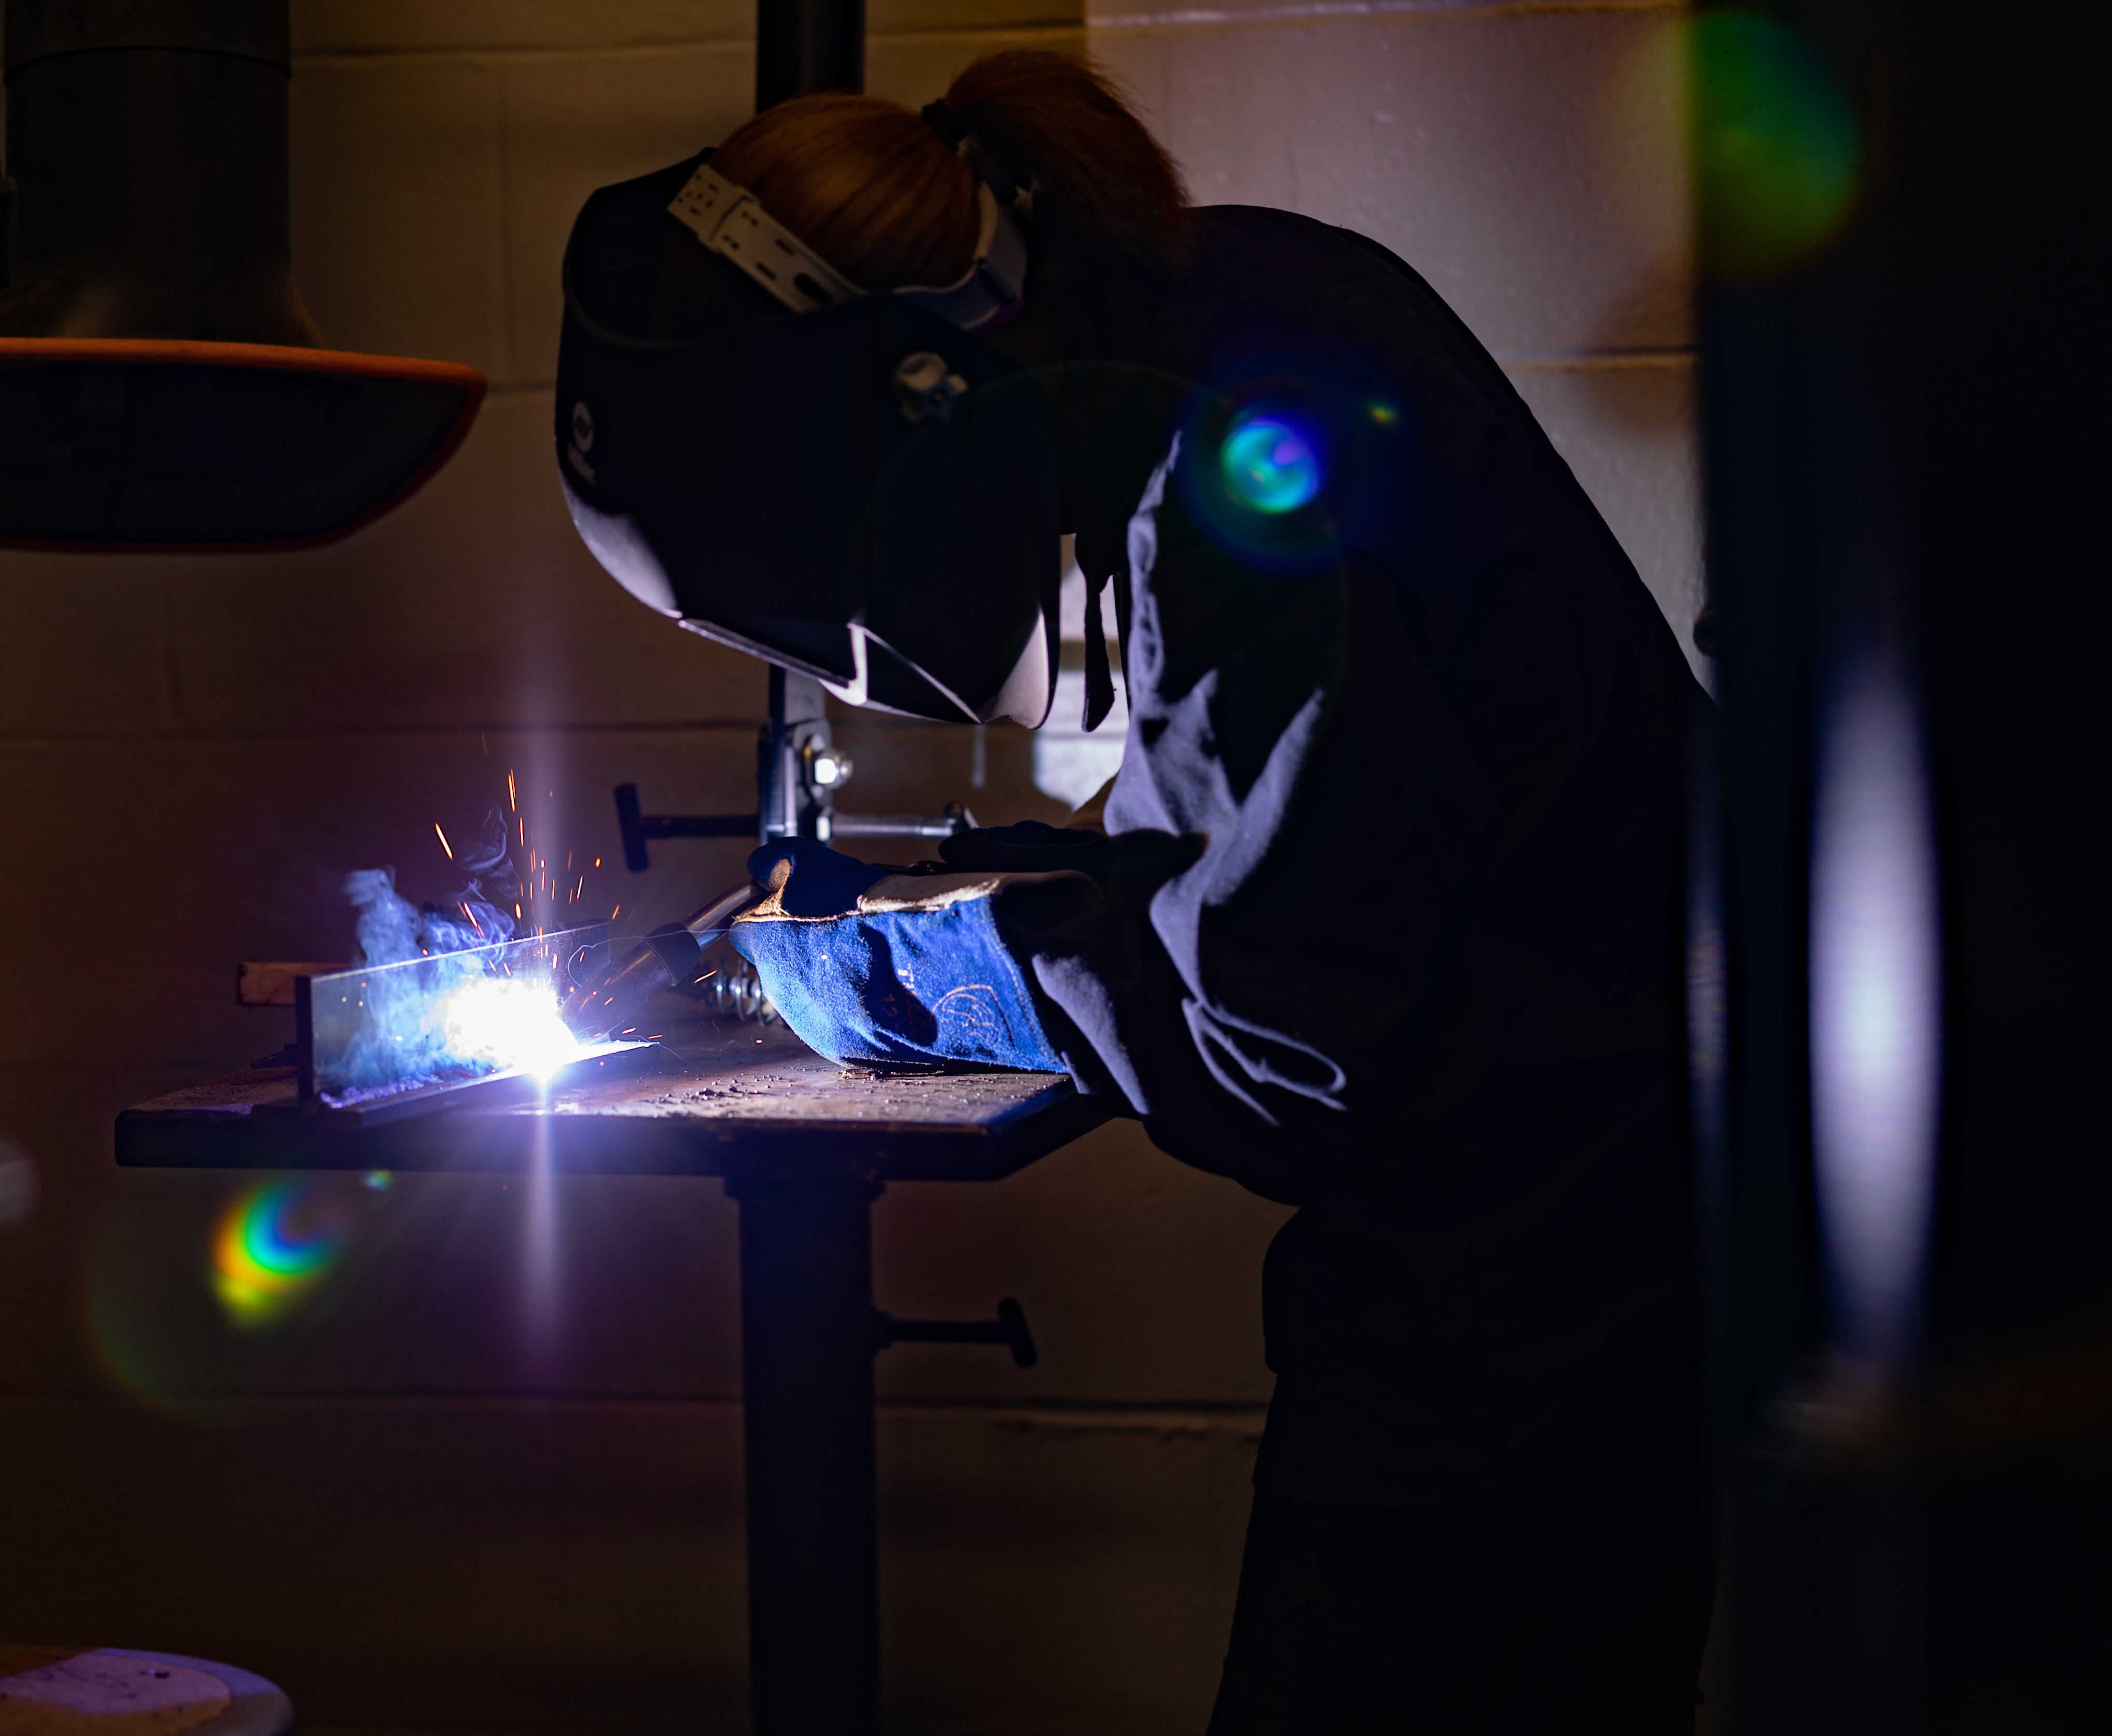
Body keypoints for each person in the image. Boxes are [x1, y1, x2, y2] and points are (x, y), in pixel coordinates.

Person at [554, 49, 1712, 1733]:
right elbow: (1323, 843)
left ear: (923, 395)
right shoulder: (1241, 292)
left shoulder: (1234, 472)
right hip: (1602, 1213)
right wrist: (957, 913)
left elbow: (1281, 1049)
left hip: (1522, 1300)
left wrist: (869, 979)